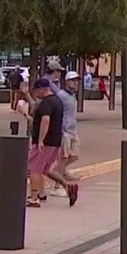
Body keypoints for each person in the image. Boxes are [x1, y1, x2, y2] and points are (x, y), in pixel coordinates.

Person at [26, 79, 74, 208]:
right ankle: (66, 185)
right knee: (46, 169)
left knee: (34, 169)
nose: (36, 93)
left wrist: (40, 140)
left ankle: (34, 198)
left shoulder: (46, 103)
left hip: (44, 143)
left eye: (36, 90)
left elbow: (45, 120)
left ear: (42, 89)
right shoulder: (57, 101)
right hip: (55, 141)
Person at [51, 72, 81, 205]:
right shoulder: (61, 96)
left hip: (72, 130)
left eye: (76, 81)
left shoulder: (72, 96)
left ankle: (58, 171)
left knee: (74, 155)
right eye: (72, 81)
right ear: (67, 82)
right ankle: (57, 186)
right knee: (63, 157)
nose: (75, 83)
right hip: (64, 131)